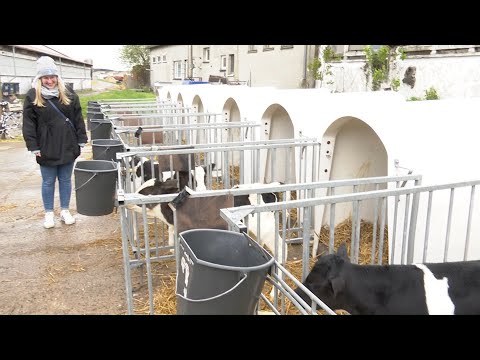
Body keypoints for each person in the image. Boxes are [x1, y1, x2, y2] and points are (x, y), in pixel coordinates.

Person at [23, 56, 88, 229]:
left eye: (52, 77)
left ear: (57, 77)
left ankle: (65, 210)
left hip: (68, 142)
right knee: (48, 181)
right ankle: (49, 213)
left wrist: (82, 139)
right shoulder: (32, 95)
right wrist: (33, 146)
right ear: (40, 78)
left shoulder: (68, 93)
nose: (50, 81)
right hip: (46, 145)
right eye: (45, 77)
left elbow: (78, 118)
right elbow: (28, 123)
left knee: (66, 179)